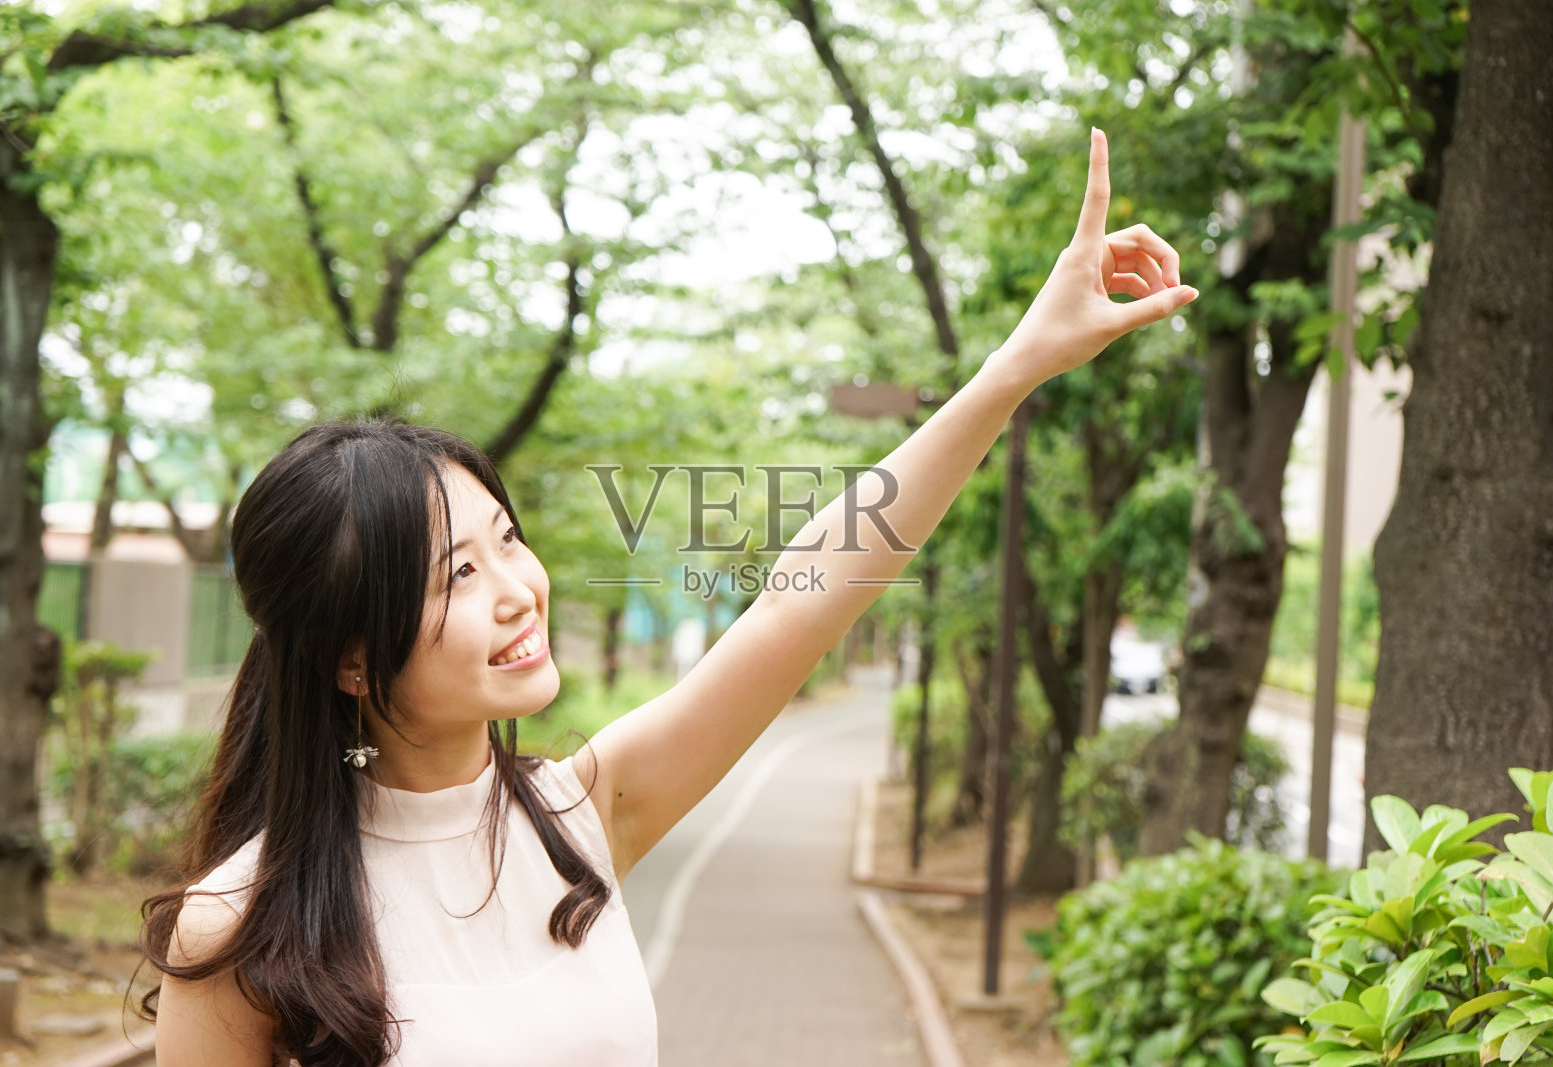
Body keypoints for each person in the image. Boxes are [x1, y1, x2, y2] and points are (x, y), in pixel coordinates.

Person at [137, 128, 1196, 1066]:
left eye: (509, 541)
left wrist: (1012, 368)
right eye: (457, 573)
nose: (517, 590)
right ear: (348, 657)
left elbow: (797, 599)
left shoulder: (576, 817)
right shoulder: (236, 928)